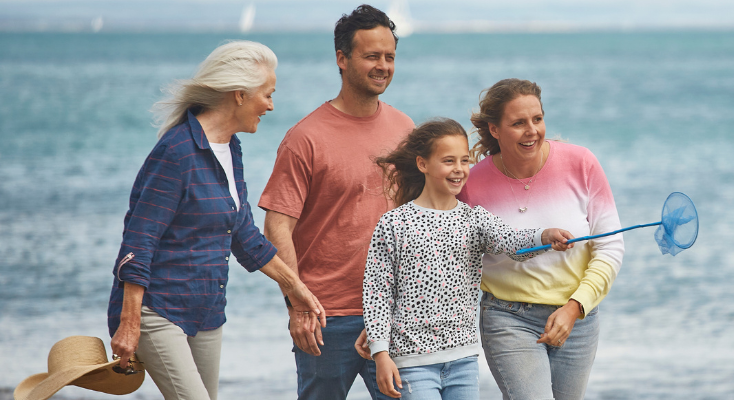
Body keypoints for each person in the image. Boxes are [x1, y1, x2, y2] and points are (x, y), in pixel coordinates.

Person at [106, 40, 325, 400]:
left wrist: (295, 289)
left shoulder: (230, 147)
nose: (271, 105)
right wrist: (129, 323)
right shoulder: (176, 152)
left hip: (207, 312)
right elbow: (139, 239)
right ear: (239, 95)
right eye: (267, 95)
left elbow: (245, 235)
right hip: (158, 310)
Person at [257, 4, 414, 399]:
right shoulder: (305, 138)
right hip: (325, 316)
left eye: (390, 57)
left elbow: (420, 214)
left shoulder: (406, 129)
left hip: (394, 311)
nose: (383, 66)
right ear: (342, 59)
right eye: (372, 56)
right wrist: (297, 305)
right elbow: (277, 227)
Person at [362, 118, 576, 400]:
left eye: (465, 160)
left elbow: (511, 241)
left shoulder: (474, 218)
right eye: (448, 161)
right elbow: (377, 292)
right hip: (411, 362)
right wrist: (380, 353)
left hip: (463, 360)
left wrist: (544, 236)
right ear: (422, 164)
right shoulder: (394, 224)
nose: (459, 169)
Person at [459, 78, 625, 400]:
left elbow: (610, 246)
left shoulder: (582, 164)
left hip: (578, 318)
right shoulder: (471, 183)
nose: (532, 130)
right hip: (507, 317)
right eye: (518, 123)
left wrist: (575, 307)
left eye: (537, 119)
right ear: (495, 129)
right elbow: (458, 257)